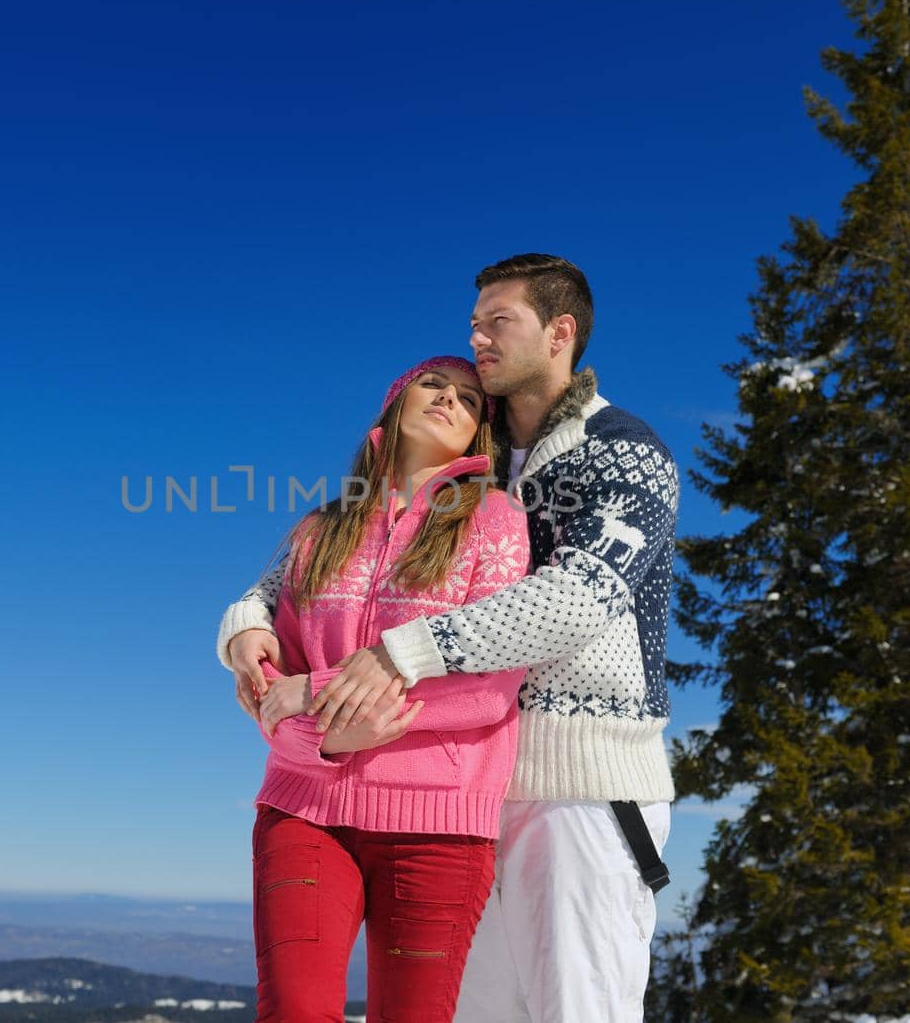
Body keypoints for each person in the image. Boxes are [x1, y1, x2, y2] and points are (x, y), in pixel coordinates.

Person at [235, 254, 681, 1021]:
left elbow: (577, 597)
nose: (476, 339)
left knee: (581, 1008)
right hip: (470, 793)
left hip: (582, 786)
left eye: (498, 321)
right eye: (473, 323)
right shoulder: (484, 457)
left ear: (559, 332)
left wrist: (396, 654)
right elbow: (338, 553)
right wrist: (245, 617)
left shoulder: (625, 450)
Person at [216, 355, 532, 1023]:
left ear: (479, 434)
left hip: (437, 826)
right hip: (304, 808)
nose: (449, 398)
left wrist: (321, 696)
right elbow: (273, 685)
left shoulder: (495, 522)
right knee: (295, 1012)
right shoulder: (318, 532)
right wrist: (325, 739)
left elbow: (489, 688)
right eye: (432, 385)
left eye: (470, 399)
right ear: (393, 406)